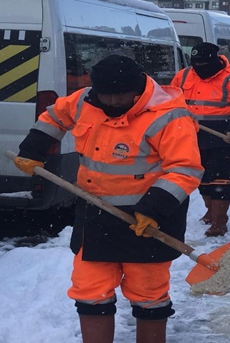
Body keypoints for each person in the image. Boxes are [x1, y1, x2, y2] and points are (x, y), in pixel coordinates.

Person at [13, 55, 203, 343]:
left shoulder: (169, 115)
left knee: (148, 295)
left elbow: (184, 169)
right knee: (90, 292)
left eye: (120, 95)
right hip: (96, 213)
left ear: (137, 89)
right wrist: (33, 149)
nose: (112, 102)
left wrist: (153, 209)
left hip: (148, 218)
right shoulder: (86, 100)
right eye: (106, 95)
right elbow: (54, 116)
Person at [171, 43, 230, 237]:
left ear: (216, 60)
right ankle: (210, 210)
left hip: (223, 134)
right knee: (200, 176)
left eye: (204, 64)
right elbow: (171, 101)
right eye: (196, 64)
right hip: (191, 132)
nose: (199, 68)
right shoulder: (184, 75)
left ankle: (220, 220)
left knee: (219, 177)